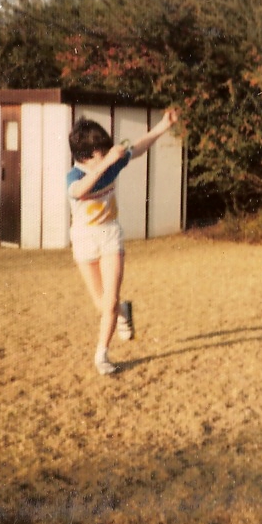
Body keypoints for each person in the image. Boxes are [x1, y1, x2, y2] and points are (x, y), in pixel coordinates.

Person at [67, 107, 180, 375]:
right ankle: (123, 312)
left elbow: (138, 148)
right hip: (84, 240)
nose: (108, 154)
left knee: (110, 300)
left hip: (110, 236)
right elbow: (80, 191)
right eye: (101, 152)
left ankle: (102, 354)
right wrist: (106, 163)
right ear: (86, 156)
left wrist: (163, 125)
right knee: (102, 304)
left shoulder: (109, 163)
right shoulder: (75, 176)